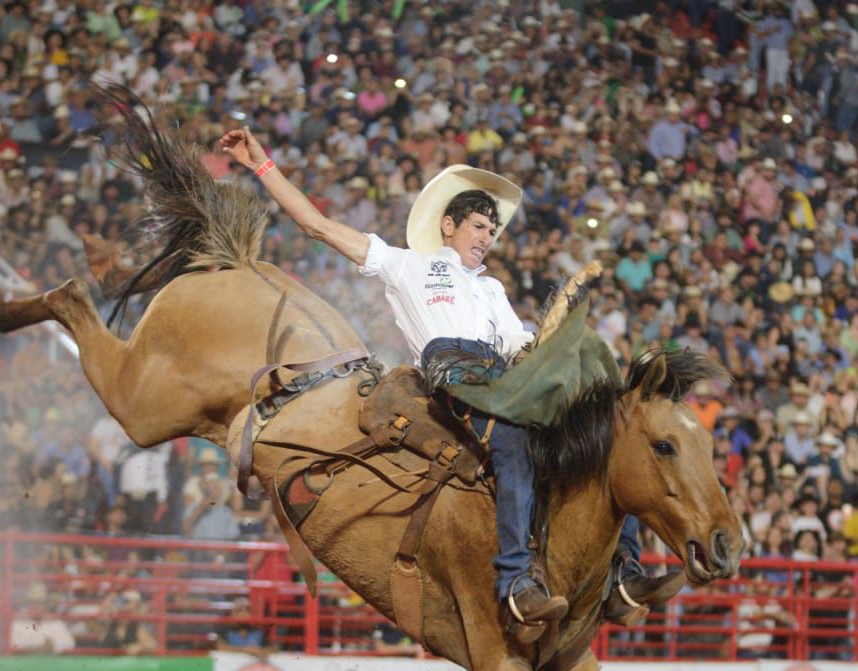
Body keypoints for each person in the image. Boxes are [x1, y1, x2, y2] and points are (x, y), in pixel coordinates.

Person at [219, 127, 678, 632]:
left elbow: (518, 344)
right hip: (452, 370)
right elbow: (317, 226)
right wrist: (262, 165)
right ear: (448, 226)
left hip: (500, 374)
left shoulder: (494, 290)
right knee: (513, 441)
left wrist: (551, 344)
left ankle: (625, 574)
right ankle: (515, 585)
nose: (486, 237)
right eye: (479, 225)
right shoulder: (408, 265)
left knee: (607, 434)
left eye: (491, 230)